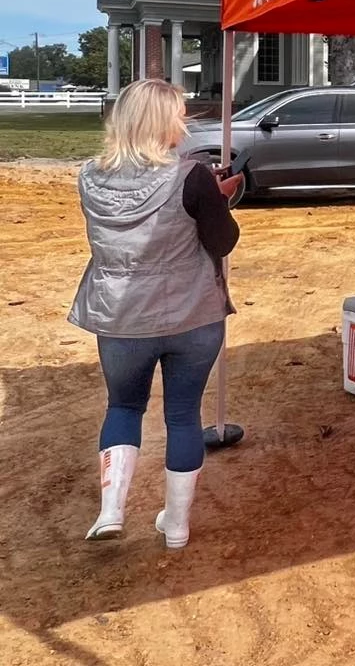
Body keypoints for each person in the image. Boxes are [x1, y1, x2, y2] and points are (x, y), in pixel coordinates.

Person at [70, 79, 243, 548]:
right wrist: (218, 197)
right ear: (166, 121)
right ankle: (177, 526)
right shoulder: (191, 175)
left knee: (123, 407)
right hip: (192, 314)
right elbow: (222, 241)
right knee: (183, 415)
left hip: (121, 316)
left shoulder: (88, 175)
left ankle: (111, 511)